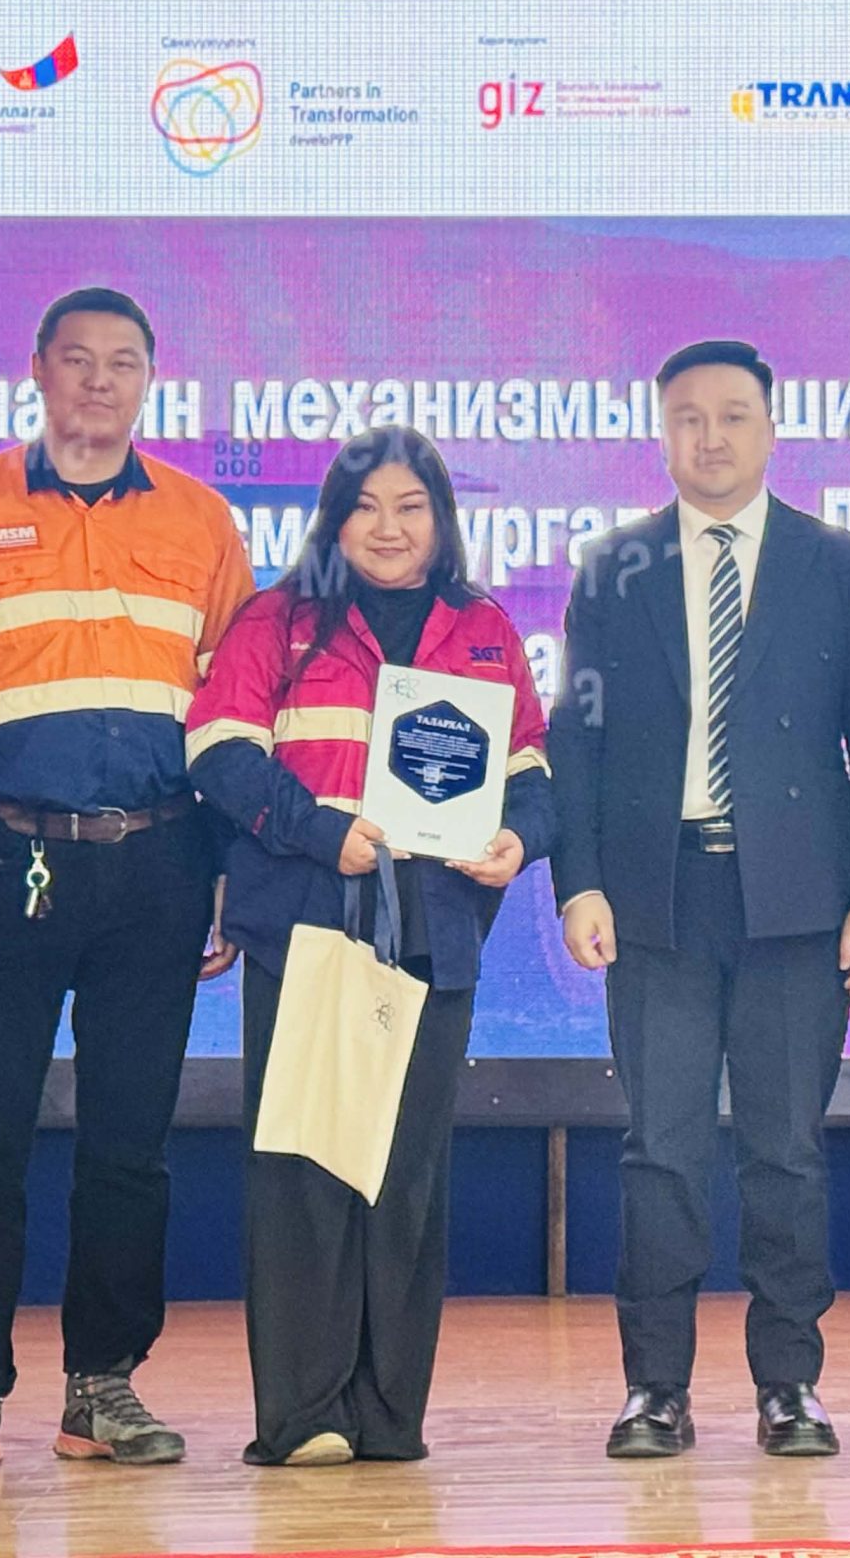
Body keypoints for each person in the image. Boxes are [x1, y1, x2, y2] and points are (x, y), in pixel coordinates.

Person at [0, 285, 254, 1483]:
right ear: (37, 369)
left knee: (130, 1148)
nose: (99, 381)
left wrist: (230, 870)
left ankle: (102, 1388)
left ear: (149, 382)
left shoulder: (202, 521)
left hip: (161, 865)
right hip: (2, 863)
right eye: (78, 359)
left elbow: (235, 716)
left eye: (123, 362)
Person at [548, 339, 850, 1461]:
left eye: (733, 415)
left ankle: (788, 1384)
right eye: (689, 418)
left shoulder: (838, 564)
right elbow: (578, 736)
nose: (711, 437)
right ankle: (654, 1387)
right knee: (659, 1150)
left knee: (785, 1150)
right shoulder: (613, 566)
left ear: (770, 428)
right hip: (655, 896)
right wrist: (578, 881)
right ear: (663, 433)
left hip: (797, 899)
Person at [187, 425, 554, 1467]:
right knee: (304, 1168)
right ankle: (302, 1416)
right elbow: (218, 751)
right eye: (366, 508)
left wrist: (518, 840)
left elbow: (533, 771)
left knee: (406, 1180)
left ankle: (390, 1416)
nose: (389, 529)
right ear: (334, 521)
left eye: (411, 507)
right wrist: (319, 831)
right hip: (309, 925)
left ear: (442, 520)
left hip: (433, 933)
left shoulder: (483, 627)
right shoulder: (277, 620)